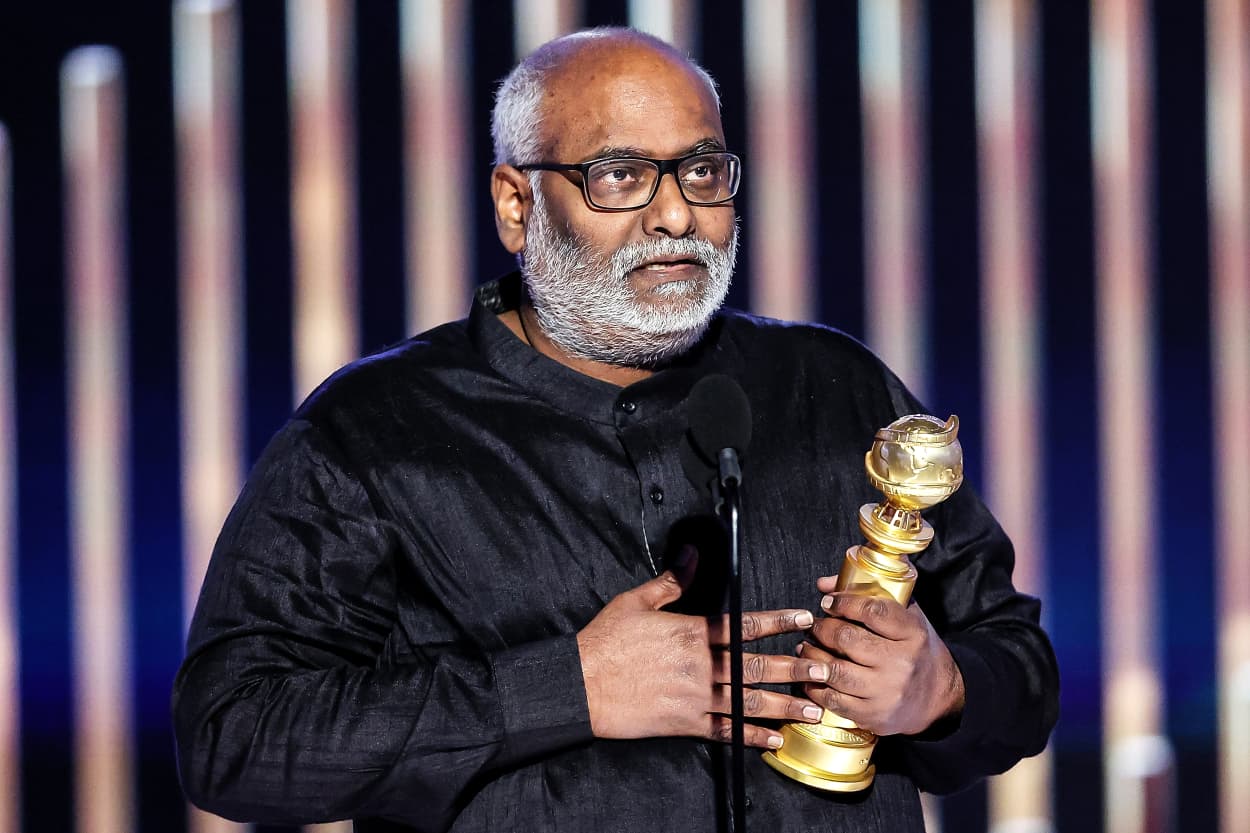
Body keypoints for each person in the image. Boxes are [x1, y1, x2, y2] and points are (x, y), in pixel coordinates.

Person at [172, 27, 1058, 833]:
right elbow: (233, 738)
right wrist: (566, 689)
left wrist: (942, 688)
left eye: (703, 171)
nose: (676, 215)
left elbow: (1018, 662)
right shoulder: (372, 433)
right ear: (517, 205)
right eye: (621, 176)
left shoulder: (837, 388)